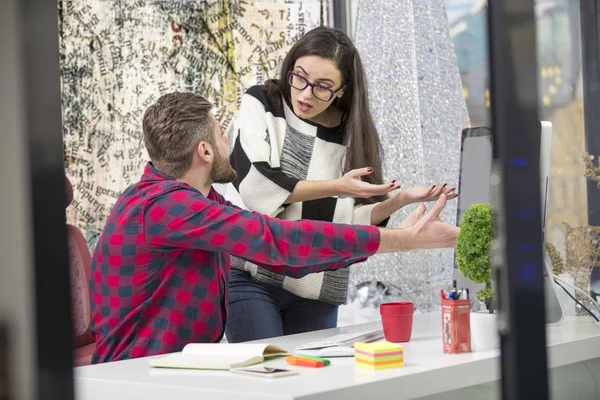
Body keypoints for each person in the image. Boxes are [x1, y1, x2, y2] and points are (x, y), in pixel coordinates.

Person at [88, 91, 458, 363]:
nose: (228, 143)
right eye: (221, 135)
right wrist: (404, 240)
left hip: (174, 372)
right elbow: (277, 242)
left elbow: (280, 250)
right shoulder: (162, 206)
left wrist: (392, 231)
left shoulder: (197, 204)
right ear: (204, 151)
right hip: (135, 380)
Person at [224, 26, 458, 343]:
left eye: (323, 86)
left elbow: (345, 226)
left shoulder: (351, 135)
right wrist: (338, 186)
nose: (306, 93)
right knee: (266, 383)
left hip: (317, 285)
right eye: (300, 77)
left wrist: (398, 201)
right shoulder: (262, 103)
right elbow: (256, 185)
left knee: (314, 390)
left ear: (342, 90)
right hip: (250, 276)